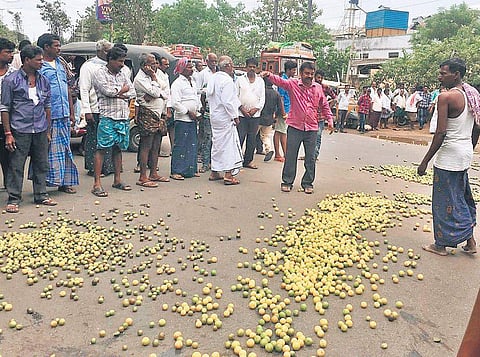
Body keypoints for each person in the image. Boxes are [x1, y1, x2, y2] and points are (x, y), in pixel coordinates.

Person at [417, 58, 479, 256]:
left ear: (456, 74)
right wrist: (469, 147)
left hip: (449, 156)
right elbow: (477, 126)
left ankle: (441, 245)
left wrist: (425, 161)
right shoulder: (472, 95)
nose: (439, 76)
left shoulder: (446, 97)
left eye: (443, 73)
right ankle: (470, 241)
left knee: (444, 201)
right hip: (464, 153)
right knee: (461, 196)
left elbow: (441, 133)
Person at [261, 61, 334, 194]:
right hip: (295, 127)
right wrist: (268, 75)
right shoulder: (293, 84)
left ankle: (307, 182)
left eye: (312, 74)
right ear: (301, 74)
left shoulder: (317, 88)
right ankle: (287, 181)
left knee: (310, 157)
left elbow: (324, 105)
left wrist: (330, 119)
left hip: (312, 128)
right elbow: (279, 81)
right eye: (307, 73)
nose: (309, 76)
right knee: (291, 155)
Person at [0, 45, 56, 212]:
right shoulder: (11, 81)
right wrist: (8, 133)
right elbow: (5, 108)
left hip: (39, 128)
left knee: (41, 163)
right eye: (38, 60)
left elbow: (47, 106)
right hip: (19, 129)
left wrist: (47, 130)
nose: (41, 63)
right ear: (26, 60)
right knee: (16, 165)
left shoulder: (43, 80)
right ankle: (14, 198)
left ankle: (41, 194)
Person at [37, 33, 79, 195]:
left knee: (64, 149)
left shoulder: (60, 64)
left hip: (63, 113)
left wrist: (71, 111)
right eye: (56, 45)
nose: (59, 48)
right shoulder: (39, 65)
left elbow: (67, 88)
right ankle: (43, 185)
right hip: (47, 115)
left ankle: (64, 182)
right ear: (46, 47)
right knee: (46, 151)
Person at [92, 46, 136, 197]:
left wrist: (119, 92)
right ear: (110, 60)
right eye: (119, 61)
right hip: (108, 116)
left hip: (123, 116)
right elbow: (107, 91)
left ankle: (117, 180)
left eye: (123, 61)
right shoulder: (99, 73)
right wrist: (122, 91)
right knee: (102, 148)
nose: (122, 64)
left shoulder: (123, 73)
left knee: (118, 149)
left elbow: (132, 91)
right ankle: (97, 183)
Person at [79, 39, 115, 178]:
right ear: (99, 51)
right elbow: (84, 89)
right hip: (94, 108)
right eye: (106, 51)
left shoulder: (111, 65)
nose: (108, 53)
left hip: (109, 109)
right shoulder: (89, 66)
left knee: (108, 139)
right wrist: (86, 111)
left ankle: (108, 167)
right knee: (94, 140)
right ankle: (94, 168)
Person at [133, 53, 169, 188]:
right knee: (146, 146)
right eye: (152, 63)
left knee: (156, 146)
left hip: (158, 114)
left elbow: (164, 90)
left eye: (155, 63)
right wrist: (154, 81)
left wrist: (156, 89)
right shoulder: (140, 79)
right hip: (148, 113)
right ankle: (143, 176)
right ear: (144, 65)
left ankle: (153, 173)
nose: (155, 66)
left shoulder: (153, 76)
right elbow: (155, 93)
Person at [206, 55, 243, 185]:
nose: (233, 67)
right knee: (228, 145)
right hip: (224, 117)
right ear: (227, 66)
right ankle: (228, 174)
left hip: (215, 116)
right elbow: (228, 102)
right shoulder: (226, 81)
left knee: (217, 143)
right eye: (232, 64)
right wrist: (235, 116)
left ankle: (215, 171)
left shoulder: (213, 78)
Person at [169, 58, 200, 180]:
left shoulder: (192, 81)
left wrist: (198, 110)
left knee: (192, 144)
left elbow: (196, 97)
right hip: (182, 118)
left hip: (193, 118)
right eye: (188, 67)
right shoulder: (177, 83)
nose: (191, 69)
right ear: (182, 69)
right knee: (180, 144)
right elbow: (175, 103)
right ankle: (176, 170)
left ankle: (190, 169)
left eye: (192, 67)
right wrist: (188, 112)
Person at [237, 57, 265, 169]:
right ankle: (237, 160)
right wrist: (242, 109)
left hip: (255, 115)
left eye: (254, 67)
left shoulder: (260, 81)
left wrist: (255, 109)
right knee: (240, 137)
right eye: (250, 67)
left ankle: (248, 160)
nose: (252, 69)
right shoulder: (240, 80)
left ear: (257, 68)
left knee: (252, 138)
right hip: (241, 114)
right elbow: (235, 96)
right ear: (246, 67)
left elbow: (262, 99)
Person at [196, 53, 218, 173]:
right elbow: (198, 91)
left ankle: (215, 163)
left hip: (218, 112)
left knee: (217, 139)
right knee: (207, 138)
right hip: (207, 110)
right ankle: (205, 163)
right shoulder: (202, 74)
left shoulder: (219, 74)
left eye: (215, 61)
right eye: (212, 61)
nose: (214, 64)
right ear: (207, 61)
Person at [0, 38, 16, 190]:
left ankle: (10, 187)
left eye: (12, 52)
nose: (11, 55)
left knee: (8, 157)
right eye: (7, 52)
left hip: (7, 121)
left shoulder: (14, 73)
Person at [255, 77, 282, 161]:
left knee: (252, 135)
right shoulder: (276, 93)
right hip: (269, 118)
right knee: (265, 136)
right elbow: (280, 107)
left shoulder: (261, 92)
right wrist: (276, 116)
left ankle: (249, 151)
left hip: (258, 117)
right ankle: (268, 149)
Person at [275, 60, 296, 162]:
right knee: (281, 132)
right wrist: (283, 112)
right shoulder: (283, 81)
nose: (294, 72)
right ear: (288, 70)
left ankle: (281, 153)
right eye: (293, 70)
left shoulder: (288, 80)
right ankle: (281, 154)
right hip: (284, 109)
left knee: (281, 131)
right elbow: (281, 98)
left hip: (287, 109)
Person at [313, 69, 336, 160]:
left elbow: (335, 98)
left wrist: (328, 105)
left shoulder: (325, 87)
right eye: (318, 77)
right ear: (315, 77)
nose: (319, 79)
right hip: (311, 116)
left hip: (321, 117)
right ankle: (310, 154)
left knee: (318, 136)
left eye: (321, 78)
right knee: (310, 137)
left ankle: (315, 155)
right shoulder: (311, 86)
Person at [156, 56, 174, 157]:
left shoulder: (165, 75)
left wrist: (169, 109)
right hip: (158, 108)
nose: (167, 66)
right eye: (165, 64)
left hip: (166, 107)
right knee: (157, 135)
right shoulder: (157, 75)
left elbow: (168, 94)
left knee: (167, 130)